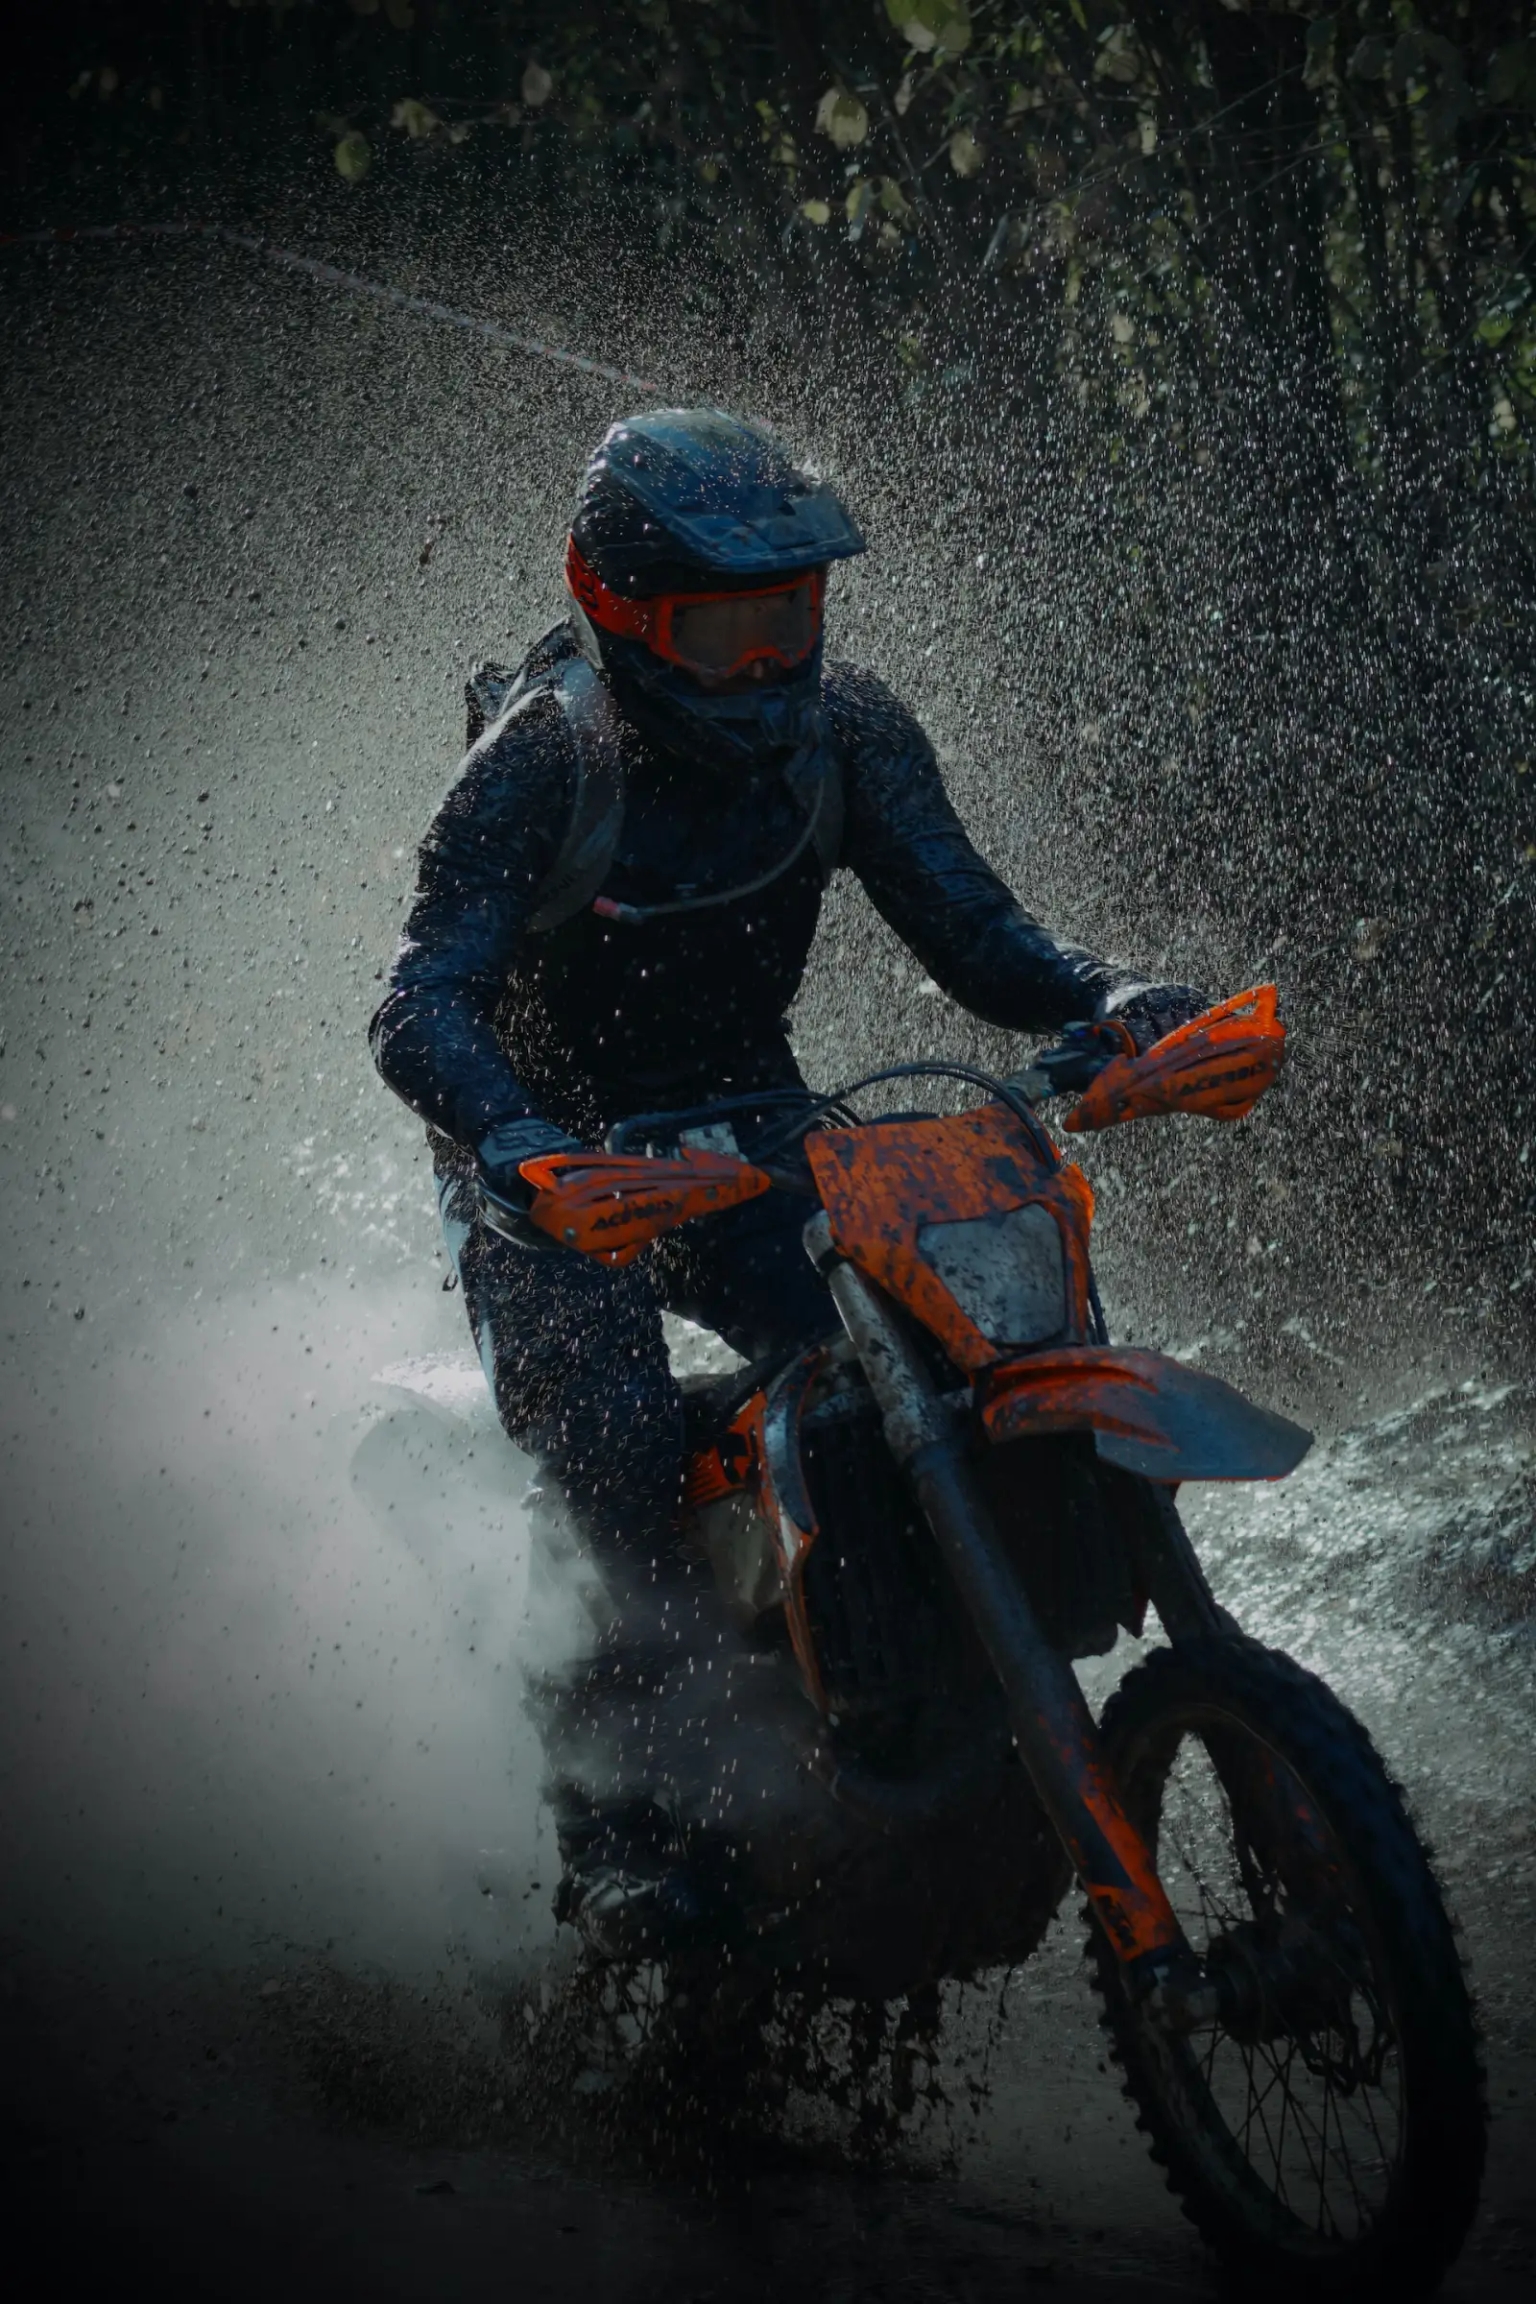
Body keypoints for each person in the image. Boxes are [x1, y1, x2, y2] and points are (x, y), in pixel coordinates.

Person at [370, 407, 1203, 1956]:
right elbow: (419, 1005)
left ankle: (909, 1691)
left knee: (951, 1346)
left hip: (755, 1125)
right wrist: (523, 1151)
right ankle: (621, 1824)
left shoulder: (852, 731)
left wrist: (1113, 997)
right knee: (616, 1432)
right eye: (726, 628)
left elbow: (981, 937)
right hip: (557, 1171)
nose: (768, 662)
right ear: (620, 611)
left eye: (793, 616)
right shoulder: (540, 762)